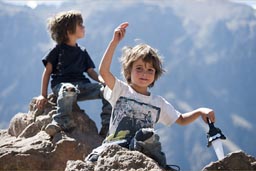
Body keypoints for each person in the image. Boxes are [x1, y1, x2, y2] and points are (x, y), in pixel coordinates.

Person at [94, 22, 216, 170]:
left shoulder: (158, 103)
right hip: (116, 146)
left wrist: (200, 111)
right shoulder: (121, 90)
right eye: (139, 68)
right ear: (128, 71)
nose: (144, 74)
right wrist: (114, 42)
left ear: (155, 75)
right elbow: (104, 72)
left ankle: (160, 166)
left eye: (150, 70)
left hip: (144, 152)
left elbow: (181, 120)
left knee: (149, 136)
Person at [36, 10, 111, 138]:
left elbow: (91, 72)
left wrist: (103, 82)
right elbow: (47, 72)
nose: (83, 27)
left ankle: (107, 126)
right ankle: (62, 120)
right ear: (68, 30)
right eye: (80, 24)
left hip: (81, 87)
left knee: (108, 91)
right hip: (62, 87)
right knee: (68, 88)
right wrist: (43, 95)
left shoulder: (82, 52)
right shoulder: (57, 50)